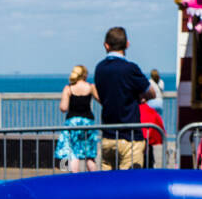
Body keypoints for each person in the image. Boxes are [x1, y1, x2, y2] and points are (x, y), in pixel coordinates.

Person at [93, 28, 151, 169]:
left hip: (108, 136)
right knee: (130, 185)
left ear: (106, 45)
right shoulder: (130, 69)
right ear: (127, 44)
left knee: (107, 185)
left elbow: (99, 94)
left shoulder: (99, 68)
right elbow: (151, 92)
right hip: (130, 136)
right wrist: (140, 98)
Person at [55, 66, 100, 172]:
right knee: (89, 155)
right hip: (88, 122)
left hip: (72, 122)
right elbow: (101, 100)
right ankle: (95, 180)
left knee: (73, 154)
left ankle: (74, 180)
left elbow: (63, 108)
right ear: (85, 75)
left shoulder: (68, 88)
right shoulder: (90, 87)